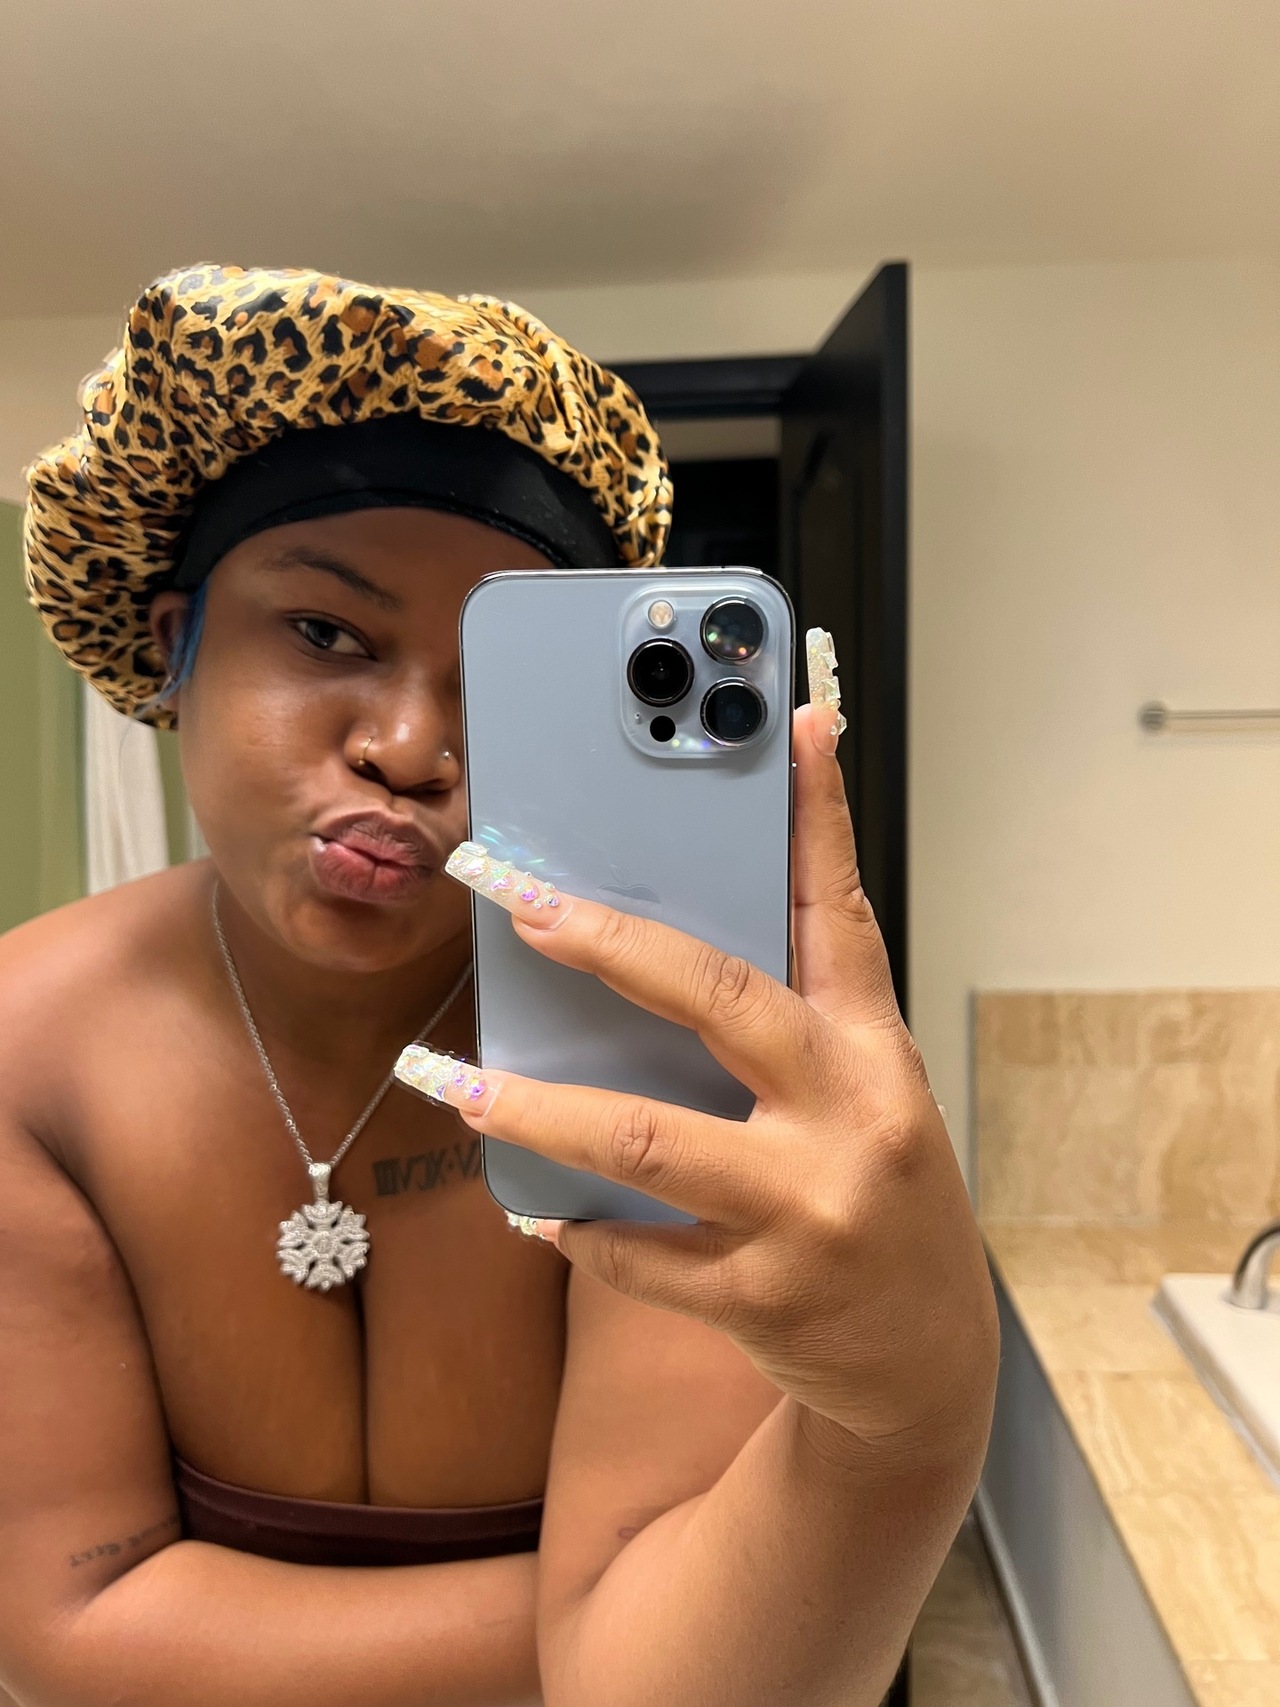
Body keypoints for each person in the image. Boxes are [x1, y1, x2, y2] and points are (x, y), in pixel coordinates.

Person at [0, 264, 998, 1707]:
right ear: (176, 649)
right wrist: (595, 1614)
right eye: (327, 633)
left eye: (497, 688)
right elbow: (68, 1626)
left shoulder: (660, 1045)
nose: (412, 749)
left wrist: (903, 1429)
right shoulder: (29, 1050)